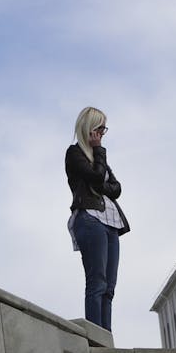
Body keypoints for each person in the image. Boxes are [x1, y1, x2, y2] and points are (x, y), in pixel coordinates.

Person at [65, 106, 129, 333]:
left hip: (112, 224)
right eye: (100, 128)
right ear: (89, 128)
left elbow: (116, 188)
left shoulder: (96, 157)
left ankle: (106, 338)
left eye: (104, 129)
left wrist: (100, 176)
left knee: (109, 288)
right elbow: (95, 177)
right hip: (90, 219)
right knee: (97, 283)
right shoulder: (75, 153)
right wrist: (99, 151)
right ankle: (96, 339)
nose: (102, 133)